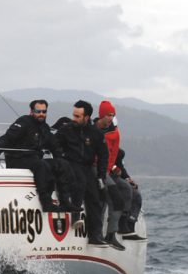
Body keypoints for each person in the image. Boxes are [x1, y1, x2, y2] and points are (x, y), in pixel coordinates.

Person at [0, 99, 75, 212]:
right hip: (17, 159)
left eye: (44, 111)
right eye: (38, 111)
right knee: (42, 165)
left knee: (62, 164)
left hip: (34, 159)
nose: (41, 114)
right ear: (31, 111)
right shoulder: (23, 122)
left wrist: (61, 161)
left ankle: (65, 202)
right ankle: (46, 203)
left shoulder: (44, 128)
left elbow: (54, 146)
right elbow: (7, 138)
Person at [54, 100, 119, 249]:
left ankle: (95, 236)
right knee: (80, 182)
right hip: (70, 163)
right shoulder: (66, 130)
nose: (74, 119)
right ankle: (76, 214)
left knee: (95, 196)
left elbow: (103, 155)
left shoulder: (95, 133)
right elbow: (54, 143)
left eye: (78, 116)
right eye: (74, 115)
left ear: (87, 117)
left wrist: (102, 176)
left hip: (88, 165)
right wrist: (60, 157)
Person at [95, 100, 132, 248]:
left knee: (127, 189)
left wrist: (113, 169)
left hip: (107, 169)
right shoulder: (93, 129)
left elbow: (114, 153)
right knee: (109, 197)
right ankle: (99, 233)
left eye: (113, 115)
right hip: (94, 168)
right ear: (102, 115)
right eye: (108, 115)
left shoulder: (115, 132)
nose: (110, 118)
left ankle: (118, 230)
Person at [113, 148, 144, 240]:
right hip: (104, 173)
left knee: (136, 195)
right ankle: (121, 223)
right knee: (126, 189)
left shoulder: (119, 153)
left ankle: (130, 225)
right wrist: (114, 169)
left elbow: (120, 166)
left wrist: (127, 178)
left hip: (114, 175)